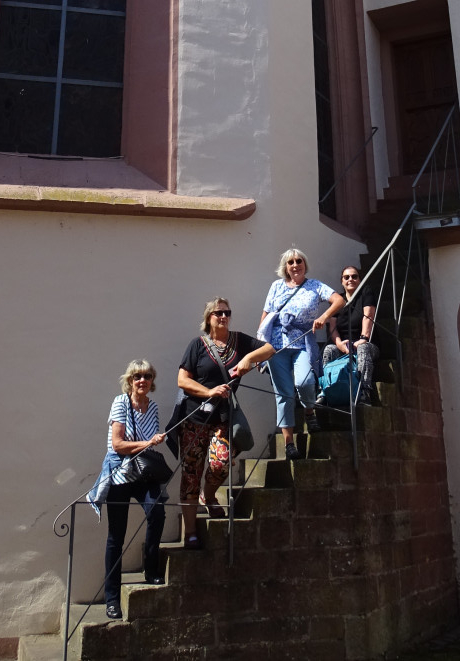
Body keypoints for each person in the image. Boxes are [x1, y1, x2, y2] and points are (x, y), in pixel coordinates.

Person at [174, 297, 273, 547]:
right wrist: (209, 391)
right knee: (191, 473)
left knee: (221, 462)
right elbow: (183, 380)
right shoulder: (197, 345)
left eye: (227, 312)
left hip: (222, 417)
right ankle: (190, 532)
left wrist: (248, 359)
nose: (223, 317)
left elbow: (269, 349)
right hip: (195, 417)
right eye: (218, 313)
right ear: (208, 318)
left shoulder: (239, 341)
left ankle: (209, 497)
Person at [260, 249, 343, 460]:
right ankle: (289, 444)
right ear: (285, 267)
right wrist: (260, 345)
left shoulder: (315, 285)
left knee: (305, 382)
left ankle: (308, 411)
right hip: (276, 345)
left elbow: (338, 300)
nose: (295, 265)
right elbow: (266, 314)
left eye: (299, 261)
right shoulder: (276, 286)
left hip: (303, 342)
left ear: (305, 264)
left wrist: (323, 317)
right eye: (291, 262)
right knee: (284, 393)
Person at [99, 360, 167, 619]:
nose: (142, 380)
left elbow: (148, 444)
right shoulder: (120, 402)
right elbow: (117, 444)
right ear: (129, 381)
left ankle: (151, 569)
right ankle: (112, 599)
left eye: (147, 376)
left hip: (143, 472)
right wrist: (148, 442)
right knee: (116, 537)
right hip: (119, 473)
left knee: (157, 512)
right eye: (137, 376)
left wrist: (153, 441)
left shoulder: (153, 406)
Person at [321, 266, 379, 404]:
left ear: (359, 279)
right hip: (345, 347)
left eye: (354, 276)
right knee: (329, 349)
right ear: (342, 281)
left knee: (363, 349)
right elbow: (332, 327)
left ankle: (364, 391)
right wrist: (339, 344)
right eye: (346, 277)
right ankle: (325, 390)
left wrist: (363, 338)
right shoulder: (339, 301)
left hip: (367, 344)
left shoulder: (366, 293)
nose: (350, 279)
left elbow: (368, 316)